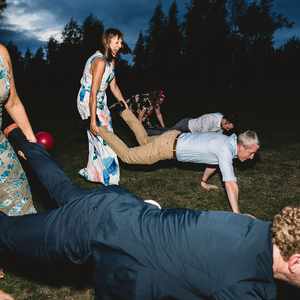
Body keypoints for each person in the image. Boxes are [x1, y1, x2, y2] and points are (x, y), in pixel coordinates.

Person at [1, 127, 300, 300]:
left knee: (62, 189)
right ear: (295, 261)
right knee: (8, 234)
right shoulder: (241, 289)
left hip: (123, 205)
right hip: (94, 226)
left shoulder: (258, 228)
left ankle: (19, 138)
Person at [93, 107, 259, 213]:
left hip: (174, 136)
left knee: (144, 140)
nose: (252, 157)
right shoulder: (225, 150)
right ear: (242, 146)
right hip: (167, 148)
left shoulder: (226, 141)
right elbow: (231, 183)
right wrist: (237, 214)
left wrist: (203, 180)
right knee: (128, 156)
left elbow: (212, 162)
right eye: (251, 153)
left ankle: (123, 111)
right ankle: (98, 129)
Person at [77, 28, 128, 186]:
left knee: (99, 140)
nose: (120, 45)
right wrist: (93, 120)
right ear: (107, 42)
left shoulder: (111, 61)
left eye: (121, 42)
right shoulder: (99, 62)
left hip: (100, 101)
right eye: (117, 42)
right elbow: (93, 92)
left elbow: (114, 87)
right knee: (107, 141)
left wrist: (126, 106)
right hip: (89, 101)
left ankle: (93, 173)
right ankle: (112, 183)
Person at [0, 44, 36, 216]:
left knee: (25, 220)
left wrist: (30, 143)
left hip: (2, 159)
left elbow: (12, 101)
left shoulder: (1, 53)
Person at [146, 112, 235, 136]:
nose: (227, 129)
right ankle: (147, 131)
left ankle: (153, 128)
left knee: (167, 132)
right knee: (167, 134)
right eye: (228, 127)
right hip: (186, 125)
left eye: (229, 129)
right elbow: (203, 135)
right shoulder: (211, 119)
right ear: (225, 121)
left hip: (191, 129)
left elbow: (218, 136)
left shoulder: (221, 124)